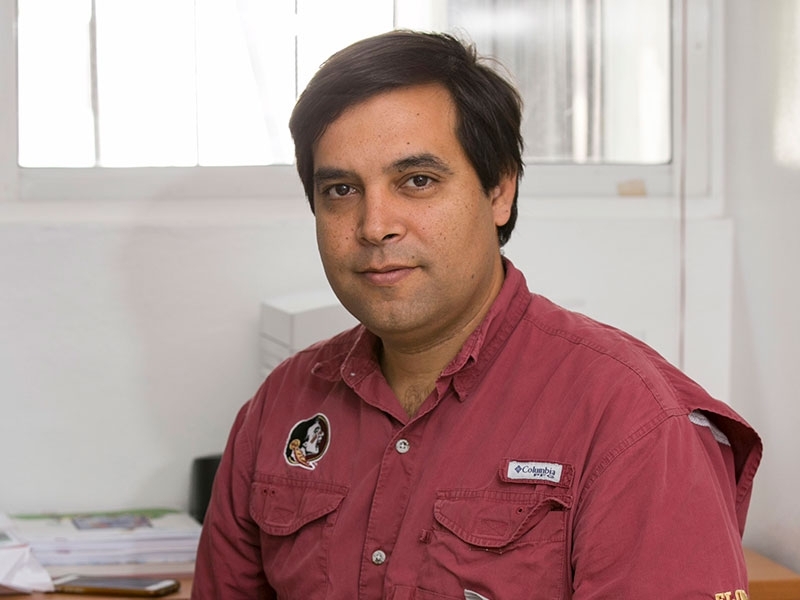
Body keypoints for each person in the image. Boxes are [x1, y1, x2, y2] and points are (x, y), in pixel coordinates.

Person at [192, 30, 761, 599]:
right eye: (341, 190)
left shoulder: (634, 421)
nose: (374, 225)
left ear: (499, 193)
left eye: (417, 181)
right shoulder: (281, 405)